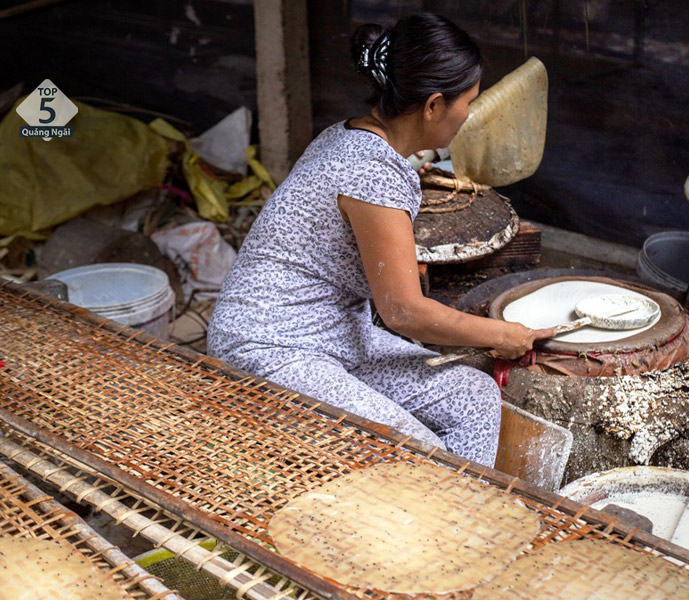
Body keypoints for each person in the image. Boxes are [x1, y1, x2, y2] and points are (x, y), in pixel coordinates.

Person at [207, 13, 554, 466]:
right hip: (270, 343)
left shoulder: (352, 134)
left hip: (330, 333)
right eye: (466, 102)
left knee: (473, 396)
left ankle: (464, 514)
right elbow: (404, 311)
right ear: (432, 107)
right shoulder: (374, 173)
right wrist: (502, 334)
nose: (469, 115)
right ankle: (444, 511)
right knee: (416, 459)